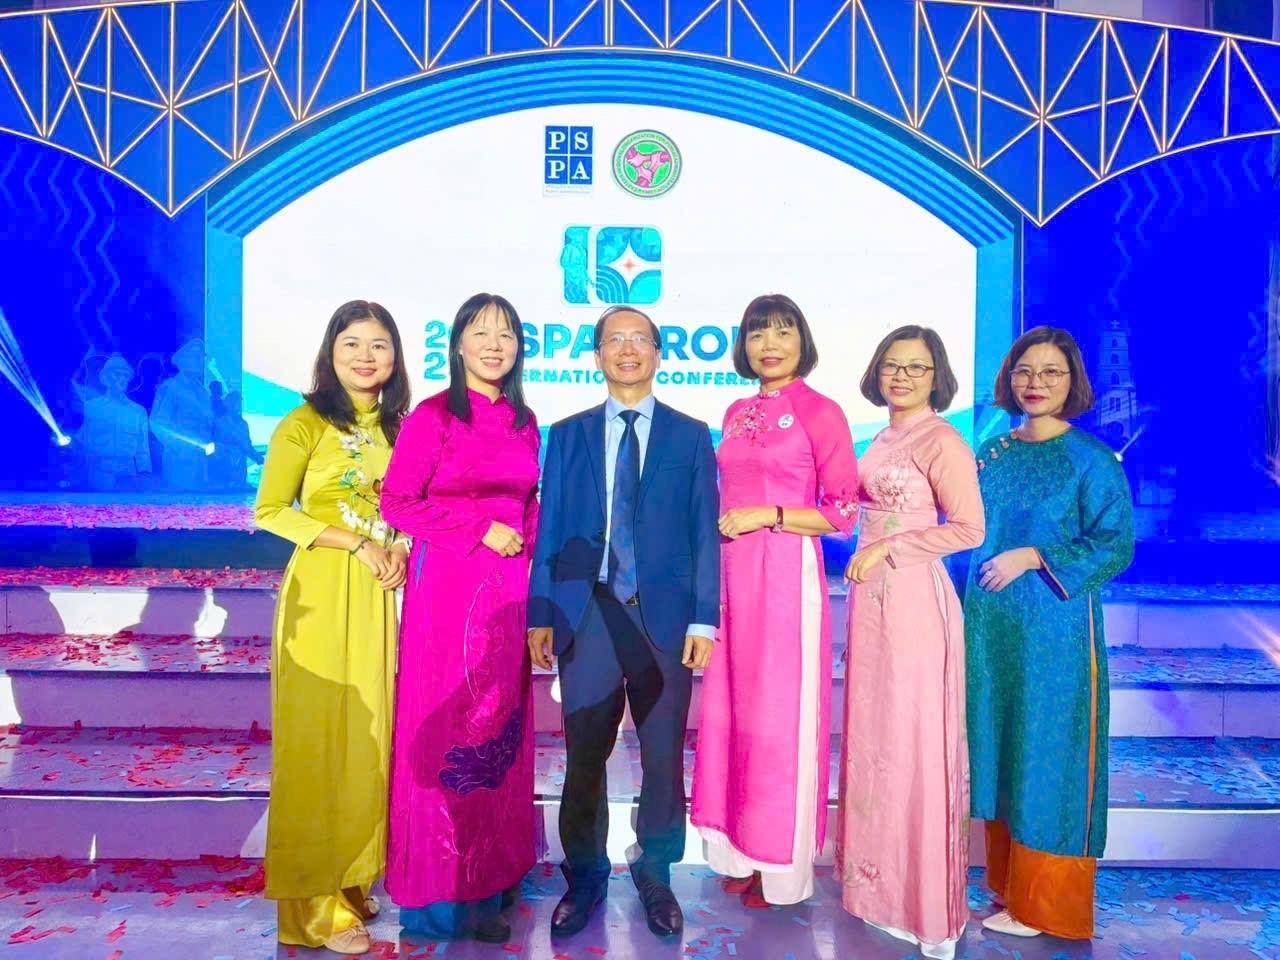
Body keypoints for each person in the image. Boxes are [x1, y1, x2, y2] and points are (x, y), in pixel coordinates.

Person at [528, 305, 719, 939]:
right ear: (598, 354)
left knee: (663, 756)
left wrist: (704, 620)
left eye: (640, 339)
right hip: (588, 618)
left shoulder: (690, 435)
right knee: (585, 753)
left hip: (663, 622)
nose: (628, 349)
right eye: (616, 340)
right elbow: (550, 527)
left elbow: (703, 532)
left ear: (659, 353)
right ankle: (584, 874)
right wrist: (542, 612)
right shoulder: (569, 434)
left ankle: (655, 870)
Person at [379, 294, 541, 943]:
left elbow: (529, 509)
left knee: (496, 725)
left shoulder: (525, 422)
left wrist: (532, 561)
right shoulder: (434, 416)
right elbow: (397, 502)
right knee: (447, 723)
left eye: (506, 334)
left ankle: (487, 886)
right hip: (447, 587)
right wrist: (479, 529)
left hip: (508, 591)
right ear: (457, 345)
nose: (494, 345)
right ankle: (438, 900)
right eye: (481, 332)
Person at [966, 326, 1134, 941]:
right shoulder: (992, 452)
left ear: (1073, 382)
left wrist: (1036, 555)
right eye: (1024, 371)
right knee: (1002, 749)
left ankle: (1048, 906)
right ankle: (1011, 888)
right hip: (990, 631)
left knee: (1048, 753)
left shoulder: (1090, 459)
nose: (1035, 383)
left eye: (1051, 372)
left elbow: (1116, 544)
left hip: (1055, 633)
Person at [254, 300, 412, 955]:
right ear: (331, 351)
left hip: (380, 597)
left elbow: (407, 506)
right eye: (352, 344)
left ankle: (349, 880)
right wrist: (355, 542)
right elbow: (270, 510)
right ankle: (311, 906)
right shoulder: (304, 423)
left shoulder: (402, 427)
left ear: (395, 357)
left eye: (379, 345)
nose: (365, 357)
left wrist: (399, 543)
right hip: (321, 594)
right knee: (316, 747)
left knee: (367, 743)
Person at [690, 294, 859, 906]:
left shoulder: (822, 412)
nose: (769, 345)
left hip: (787, 576)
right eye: (758, 334)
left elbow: (843, 511)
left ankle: (782, 865)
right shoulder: (736, 411)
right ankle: (740, 848)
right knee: (734, 712)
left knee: (781, 718)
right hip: (732, 577)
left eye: (783, 332)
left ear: (802, 340)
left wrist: (771, 514)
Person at [836, 326, 984, 960]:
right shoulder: (881, 438)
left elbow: (971, 529)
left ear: (936, 376)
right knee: (879, 744)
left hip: (916, 597)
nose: (902, 376)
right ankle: (883, 894)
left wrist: (890, 549)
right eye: (892, 365)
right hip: (871, 604)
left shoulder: (942, 439)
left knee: (917, 744)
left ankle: (931, 911)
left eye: (916, 367)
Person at [78, 353, 152, 489]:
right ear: (105, 379)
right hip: (100, 471)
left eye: (125, 375)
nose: (122, 379)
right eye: (117, 374)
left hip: (128, 472)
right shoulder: (91, 407)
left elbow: (143, 447)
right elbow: (83, 441)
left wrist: (144, 472)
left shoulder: (138, 411)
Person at [150, 338, 213, 489]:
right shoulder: (171, 387)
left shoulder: (204, 392)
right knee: (179, 499)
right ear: (182, 360)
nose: (200, 361)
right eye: (195, 357)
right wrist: (180, 448)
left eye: (201, 357)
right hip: (178, 460)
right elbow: (158, 424)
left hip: (201, 460)